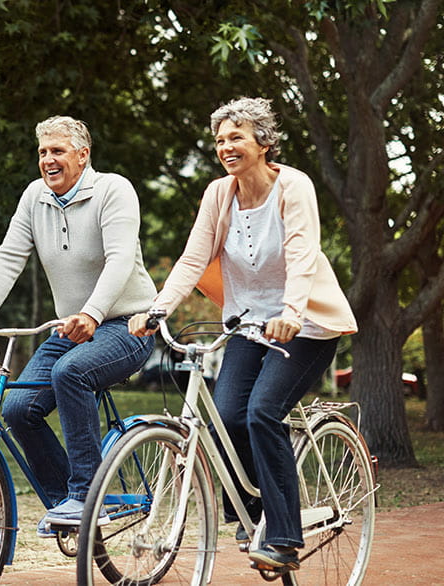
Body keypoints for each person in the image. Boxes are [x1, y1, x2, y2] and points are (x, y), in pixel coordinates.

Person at [128, 97, 356, 571]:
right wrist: (157, 309)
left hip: (305, 326)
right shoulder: (219, 194)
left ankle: (284, 536)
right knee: (226, 418)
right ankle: (253, 513)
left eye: (236, 137)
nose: (225, 147)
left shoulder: (293, 186)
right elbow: (193, 258)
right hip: (249, 325)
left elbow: (302, 254)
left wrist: (292, 312)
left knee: (262, 412)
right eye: (219, 140)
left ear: (263, 142)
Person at [0, 116, 156, 535]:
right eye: (43, 151)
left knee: (72, 373)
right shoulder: (35, 197)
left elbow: (120, 259)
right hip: (71, 327)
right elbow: (10, 255)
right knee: (17, 407)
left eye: (58, 150)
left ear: (83, 155)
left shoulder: (113, 190)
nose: (48, 159)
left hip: (128, 326)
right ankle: (67, 500)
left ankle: (86, 497)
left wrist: (93, 313)